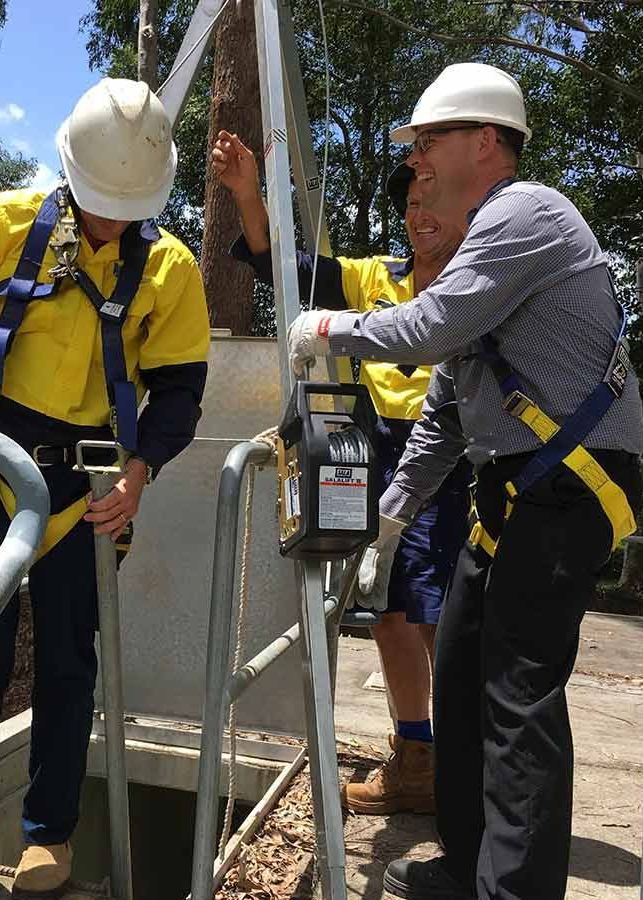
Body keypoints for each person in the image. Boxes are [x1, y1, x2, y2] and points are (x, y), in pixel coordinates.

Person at [286, 62, 643, 900]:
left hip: (564, 487)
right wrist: (389, 517)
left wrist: (333, 325)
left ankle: (512, 891)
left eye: (429, 141)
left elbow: (427, 331)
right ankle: (466, 861)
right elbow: (445, 409)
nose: (416, 162)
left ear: (486, 142)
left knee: (516, 693)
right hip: (515, 491)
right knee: (459, 674)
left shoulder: (528, 211)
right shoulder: (482, 252)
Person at [0, 78, 210, 900]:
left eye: (124, 206)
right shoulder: (2, 226)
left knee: (69, 668)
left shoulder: (168, 268)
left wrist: (141, 473)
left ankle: (48, 836)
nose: (110, 220)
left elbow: (178, 391)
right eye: (101, 203)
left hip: (91, 491)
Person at [211, 130, 471, 816]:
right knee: (388, 612)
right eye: (412, 201)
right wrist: (246, 194)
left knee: (445, 614)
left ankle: (469, 760)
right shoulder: (372, 278)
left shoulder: (484, 281)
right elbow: (283, 269)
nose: (421, 213)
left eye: (434, 199)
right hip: (379, 452)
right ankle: (415, 754)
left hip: (456, 455)